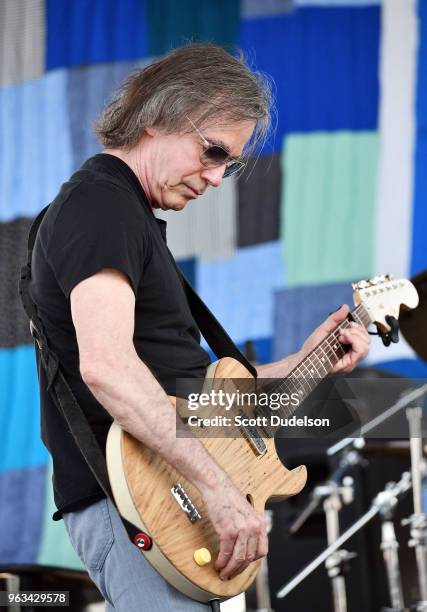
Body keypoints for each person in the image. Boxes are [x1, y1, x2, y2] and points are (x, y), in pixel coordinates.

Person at [28, 43, 370, 611]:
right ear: (160, 115)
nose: (217, 178)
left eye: (229, 165)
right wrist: (217, 489)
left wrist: (309, 361)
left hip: (176, 502)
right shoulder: (99, 206)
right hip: (148, 501)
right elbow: (109, 368)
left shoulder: (128, 216)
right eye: (212, 152)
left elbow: (198, 400)